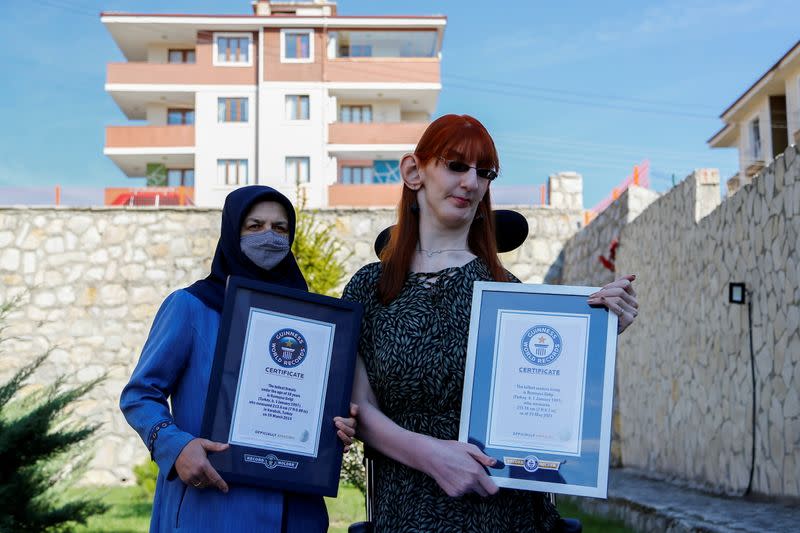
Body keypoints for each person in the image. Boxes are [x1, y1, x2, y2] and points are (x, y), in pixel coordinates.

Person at [342, 114, 638, 532]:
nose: (471, 183)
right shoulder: (368, 288)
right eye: (456, 165)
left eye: (485, 173)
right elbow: (359, 409)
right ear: (413, 172)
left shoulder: (507, 292)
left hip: (504, 513)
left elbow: (549, 399)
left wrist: (595, 333)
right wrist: (433, 456)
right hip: (406, 510)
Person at [120, 185, 356, 533]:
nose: (269, 237)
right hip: (211, 506)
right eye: (254, 225)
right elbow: (139, 396)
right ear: (232, 232)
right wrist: (176, 446)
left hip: (296, 514)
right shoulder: (190, 306)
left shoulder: (312, 320)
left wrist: (335, 429)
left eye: (280, 229)